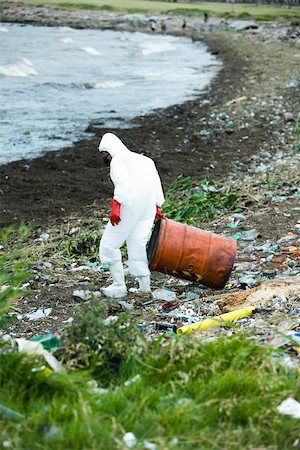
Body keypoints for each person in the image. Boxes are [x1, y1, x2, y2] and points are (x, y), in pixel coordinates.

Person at [98, 133, 165, 299]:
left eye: (104, 154)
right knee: (137, 243)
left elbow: (122, 184)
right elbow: (156, 183)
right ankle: (144, 286)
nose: (105, 158)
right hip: (148, 208)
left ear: (110, 150)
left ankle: (119, 286)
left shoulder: (118, 160)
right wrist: (158, 205)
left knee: (109, 245)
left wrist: (116, 206)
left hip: (129, 206)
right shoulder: (146, 161)